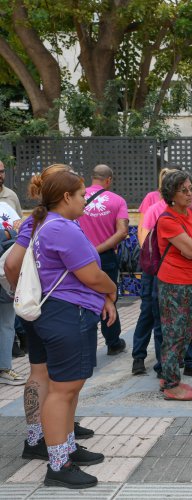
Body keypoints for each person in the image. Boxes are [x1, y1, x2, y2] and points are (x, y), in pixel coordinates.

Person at [26, 170, 116, 488]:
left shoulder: (50, 225)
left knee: (66, 390)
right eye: (81, 195)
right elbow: (91, 275)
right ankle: (59, 465)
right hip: (67, 315)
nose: (84, 201)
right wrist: (111, 290)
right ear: (66, 197)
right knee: (62, 392)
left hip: (65, 313)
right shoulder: (61, 228)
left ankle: (64, 451)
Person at [4, 164, 96, 466]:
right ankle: (39, 438)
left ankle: (54, 436)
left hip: (43, 308)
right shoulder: (40, 222)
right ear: (62, 193)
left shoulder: (44, 219)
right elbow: (12, 265)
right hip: (52, 308)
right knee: (51, 379)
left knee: (54, 378)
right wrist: (28, 295)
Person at [156, 170, 192, 401]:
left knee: (186, 333)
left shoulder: (191, 211)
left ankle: (168, 375)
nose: (191, 193)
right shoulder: (167, 220)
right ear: (171, 194)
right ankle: (172, 385)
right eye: (184, 190)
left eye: (191, 188)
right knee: (174, 333)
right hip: (174, 284)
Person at [77, 164, 129, 355]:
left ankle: (84, 344)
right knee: (108, 296)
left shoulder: (78, 197)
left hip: (79, 255)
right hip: (105, 255)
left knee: (82, 297)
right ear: (109, 180)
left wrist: (88, 250)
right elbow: (123, 231)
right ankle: (113, 342)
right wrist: (97, 250)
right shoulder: (118, 201)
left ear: (92, 177)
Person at [131, 168, 176, 375]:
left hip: (171, 268)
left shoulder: (185, 205)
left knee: (166, 316)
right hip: (155, 268)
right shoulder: (153, 203)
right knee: (148, 312)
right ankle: (139, 356)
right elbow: (144, 233)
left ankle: (166, 362)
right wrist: (152, 261)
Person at [0, 200, 23, 384]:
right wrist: (9, 232)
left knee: (7, 323)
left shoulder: (6, 205)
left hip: (5, 275)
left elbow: (22, 230)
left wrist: (10, 233)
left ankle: (5, 368)